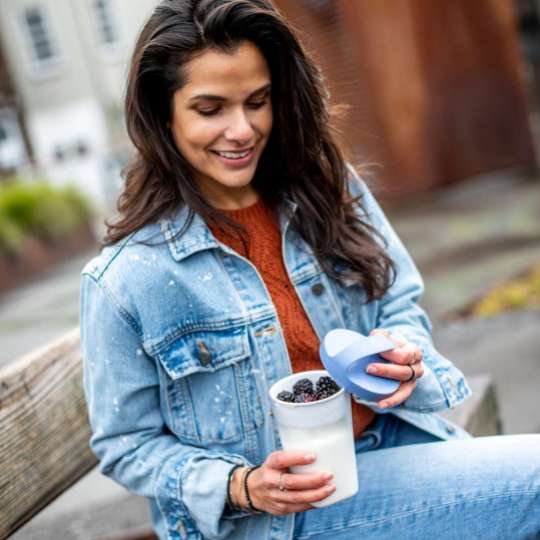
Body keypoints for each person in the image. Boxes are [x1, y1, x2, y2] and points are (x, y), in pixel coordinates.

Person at [79, 1, 540, 539]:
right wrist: (241, 485)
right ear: (162, 115)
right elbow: (125, 445)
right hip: (282, 517)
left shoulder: (325, 186)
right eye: (210, 109)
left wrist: (400, 355)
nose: (242, 129)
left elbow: (397, 300)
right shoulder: (127, 278)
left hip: (392, 440)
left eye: (257, 101)